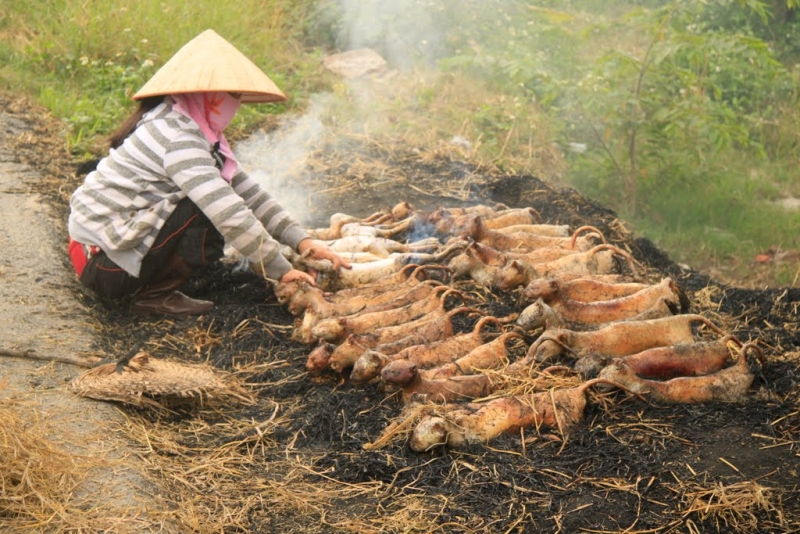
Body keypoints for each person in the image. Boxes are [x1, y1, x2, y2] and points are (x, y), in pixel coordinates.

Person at [67, 29, 349, 316]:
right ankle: (153, 295)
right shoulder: (178, 137)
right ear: (206, 93)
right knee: (207, 209)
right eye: (231, 94)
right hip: (102, 265)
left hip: (103, 255)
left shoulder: (196, 132)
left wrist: (306, 244)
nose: (235, 103)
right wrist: (281, 270)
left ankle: (155, 282)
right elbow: (229, 212)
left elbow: (250, 194)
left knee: (215, 200)